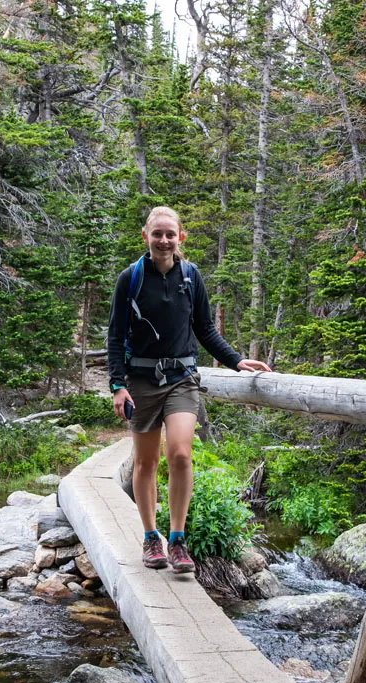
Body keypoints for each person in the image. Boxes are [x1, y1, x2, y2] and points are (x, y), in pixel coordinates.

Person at [108, 206, 271, 574]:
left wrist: (236, 361)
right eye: (157, 234)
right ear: (146, 237)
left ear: (181, 237)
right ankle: (152, 538)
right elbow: (115, 336)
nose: (164, 240)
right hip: (141, 382)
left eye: (170, 234)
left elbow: (205, 329)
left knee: (180, 454)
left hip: (182, 379)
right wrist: (118, 385)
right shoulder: (130, 278)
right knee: (146, 461)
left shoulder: (191, 277)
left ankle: (177, 539)